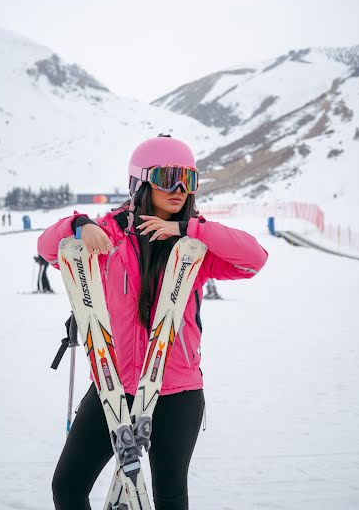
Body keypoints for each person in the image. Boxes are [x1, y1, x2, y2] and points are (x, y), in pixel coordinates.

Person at [37, 134, 268, 510]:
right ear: (141, 182)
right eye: (167, 177)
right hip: (114, 388)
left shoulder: (196, 244)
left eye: (189, 180)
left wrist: (189, 230)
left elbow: (254, 258)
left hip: (176, 391)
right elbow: (48, 249)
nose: (179, 189)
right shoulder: (110, 234)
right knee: (67, 485)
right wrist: (78, 225)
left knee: (169, 496)